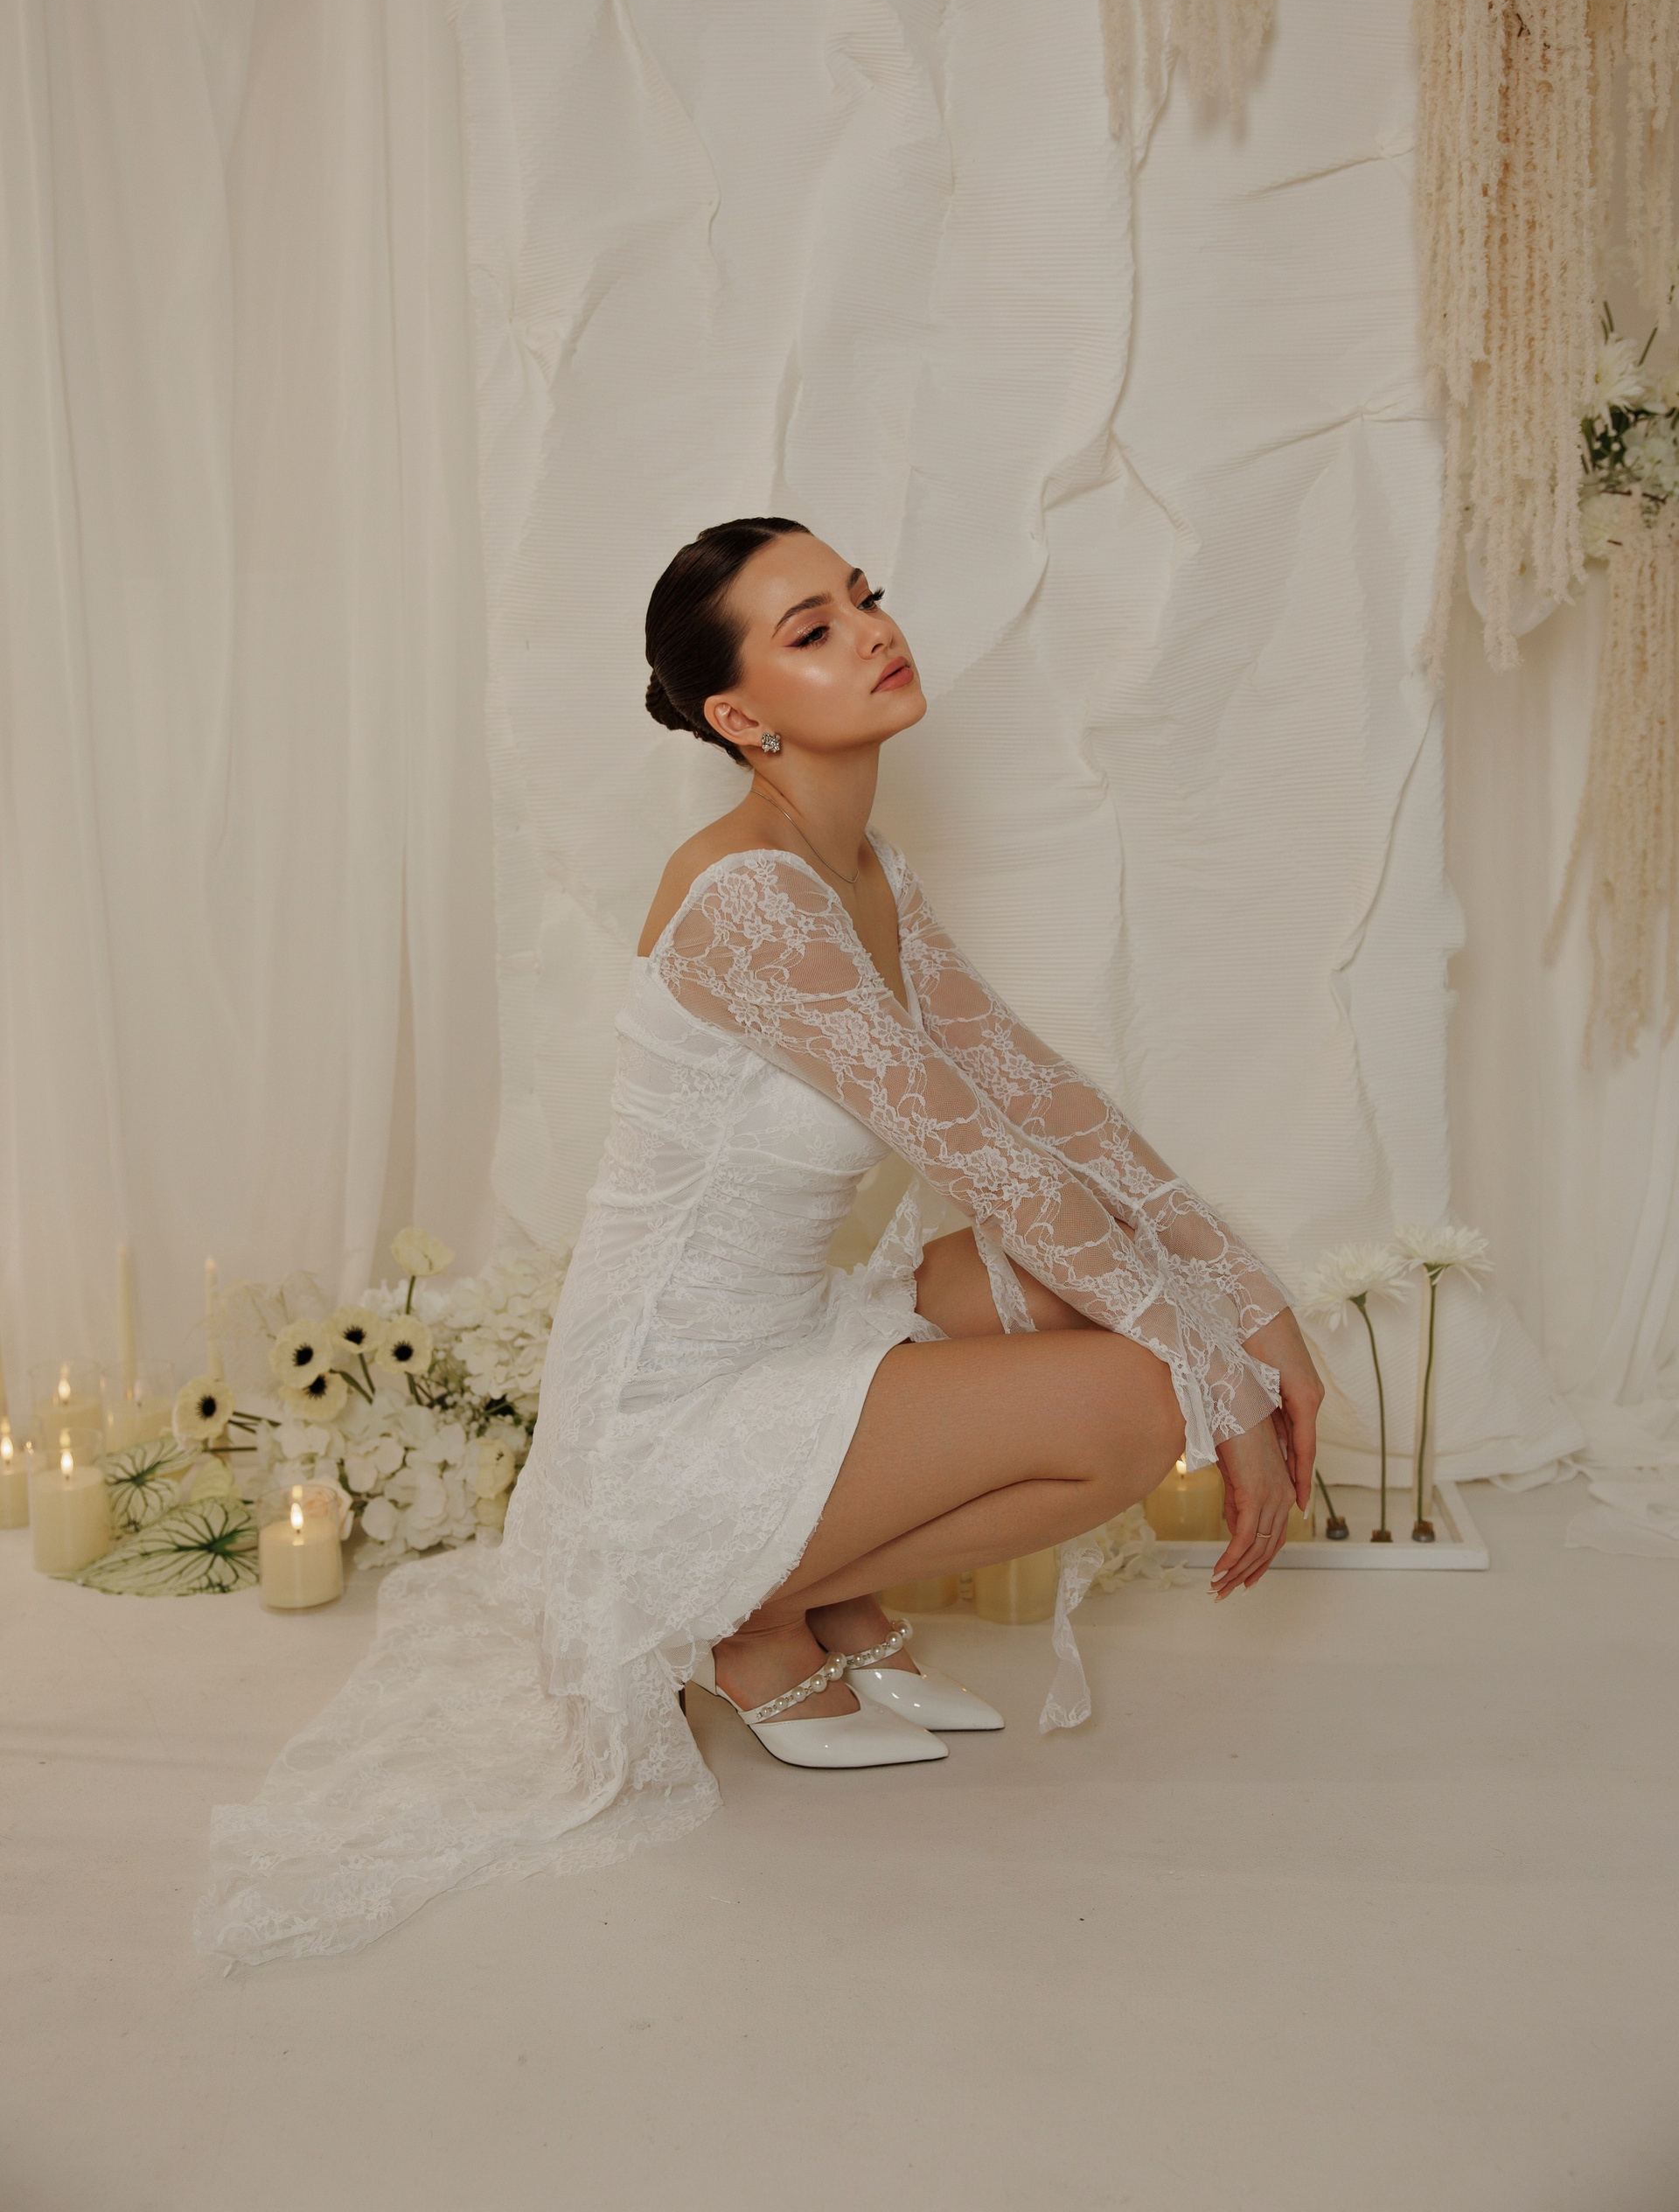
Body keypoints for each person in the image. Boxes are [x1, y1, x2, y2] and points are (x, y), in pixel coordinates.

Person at [197, 516, 1320, 1964]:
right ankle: (741, 1616)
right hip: (668, 1403)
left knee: (1069, 1282)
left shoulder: (865, 871)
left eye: (861, 598)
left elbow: (1048, 1108)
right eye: (812, 631)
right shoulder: (750, 900)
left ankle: (806, 1593)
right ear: (738, 717)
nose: (870, 631)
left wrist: (1259, 1315)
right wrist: (1219, 1385)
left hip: (791, 1333)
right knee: (1138, 1397)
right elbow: (979, 1158)